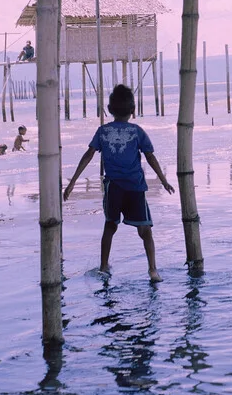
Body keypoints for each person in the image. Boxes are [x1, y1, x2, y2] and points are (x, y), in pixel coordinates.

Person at [63, 83, 175, 280]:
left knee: (110, 226)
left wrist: (72, 182)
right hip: (135, 188)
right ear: (133, 110)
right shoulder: (137, 131)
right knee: (145, 230)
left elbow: (88, 155)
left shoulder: (103, 132)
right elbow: (150, 157)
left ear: (109, 110)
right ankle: (152, 270)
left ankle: (104, 266)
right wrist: (164, 180)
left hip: (113, 188)